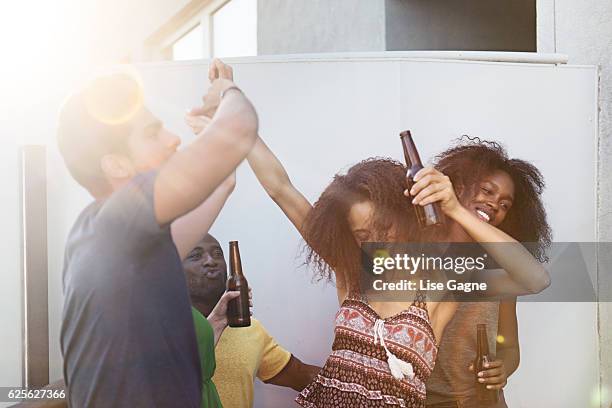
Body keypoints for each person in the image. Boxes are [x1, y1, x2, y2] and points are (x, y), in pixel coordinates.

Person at [186, 59, 550, 408]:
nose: (378, 242)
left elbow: (534, 278)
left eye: (384, 230)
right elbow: (282, 188)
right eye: (363, 235)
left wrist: (454, 207)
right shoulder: (353, 273)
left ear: (405, 221)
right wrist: (234, 110)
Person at [57, 61, 258, 407]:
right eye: (153, 133)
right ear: (117, 165)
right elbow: (239, 129)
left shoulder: (105, 236)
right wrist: (227, 91)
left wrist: (208, 133)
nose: (172, 139)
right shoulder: (120, 217)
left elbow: (222, 181)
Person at [424, 137, 551, 408]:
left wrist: (502, 367)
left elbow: (509, 347)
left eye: (505, 204)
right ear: (457, 186)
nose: (495, 204)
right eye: (487, 191)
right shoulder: (419, 251)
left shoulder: (502, 269)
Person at [183, 233, 321, 408]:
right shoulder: (161, 331)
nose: (211, 261)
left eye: (218, 254)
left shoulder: (249, 328)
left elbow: (299, 374)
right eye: (196, 256)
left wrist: (357, 378)